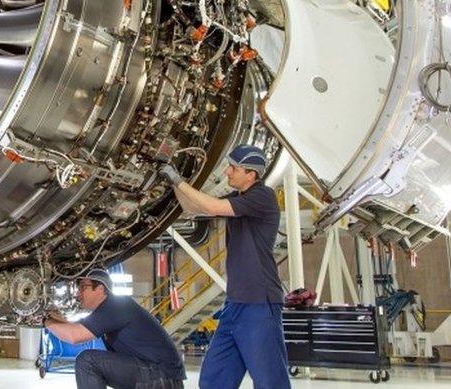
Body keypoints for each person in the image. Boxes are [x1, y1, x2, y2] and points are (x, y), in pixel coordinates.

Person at [159, 144, 290, 389]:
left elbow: (211, 207)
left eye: (234, 168)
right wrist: (174, 183)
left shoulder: (262, 196)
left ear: (251, 174)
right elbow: (192, 208)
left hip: (259, 305)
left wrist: (177, 179)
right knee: (213, 380)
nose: (228, 172)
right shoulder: (239, 199)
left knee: (270, 381)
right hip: (234, 305)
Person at [44, 268, 186, 388]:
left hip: (162, 376)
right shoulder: (109, 309)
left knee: (87, 361)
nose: (78, 294)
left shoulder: (116, 305)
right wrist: (48, 316)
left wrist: (46, 322)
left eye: (83, 288)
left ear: (100, 288)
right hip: (158, 374)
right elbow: (74, 326)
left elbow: (74, 336)